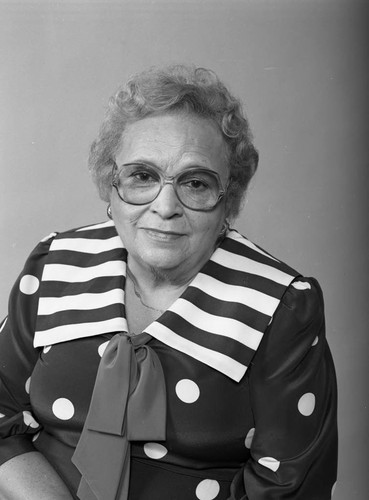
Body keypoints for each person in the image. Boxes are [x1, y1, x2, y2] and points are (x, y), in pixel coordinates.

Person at [0, 64, 337, 500]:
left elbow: (289, 487)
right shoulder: (55, 265)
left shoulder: (282, 308)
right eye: (142, 176)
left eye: (195, 183)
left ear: (227, 200)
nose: (165, 207)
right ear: (110, 184)